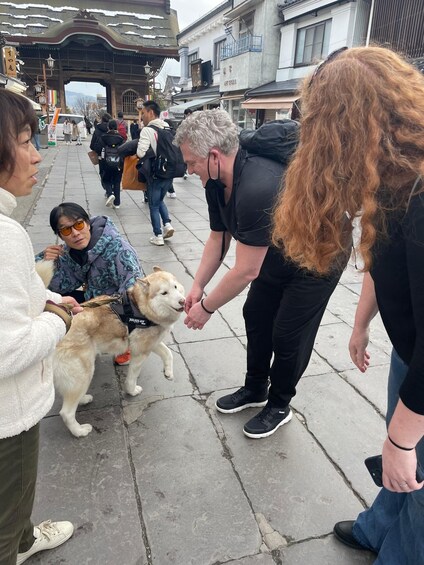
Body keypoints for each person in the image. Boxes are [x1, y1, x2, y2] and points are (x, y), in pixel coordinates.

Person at [272, 46, 424, 563]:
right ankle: (379, 527)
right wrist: (360, 325)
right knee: (399, 461)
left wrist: (404, 442)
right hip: (410, 350)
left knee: (413, 473)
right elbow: (385, 264)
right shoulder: (392, 177)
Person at [174, 109, 348, 438]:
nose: (189, 170)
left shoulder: (257, 186)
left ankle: (280, 404)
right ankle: (256, 389)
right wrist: (198, 285)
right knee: (255, 312)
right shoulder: (216, 181)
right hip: (278, 250)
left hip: (319, 257)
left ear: (213, 155)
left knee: (287, 333)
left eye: (191, 162)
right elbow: (218, 237)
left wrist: (206, 308)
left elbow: (245, 270)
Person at [0, 89, 82, 565]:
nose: (36, 154)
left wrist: (49, 297)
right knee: (6, 512)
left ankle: (26, 538)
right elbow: (7, 350)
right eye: (26, 140)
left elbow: (16, 293)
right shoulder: (5, 235)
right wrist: (59, 317)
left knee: (13, 509)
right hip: (7, 417)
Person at [36, 201, 142, 366]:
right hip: (92, 299)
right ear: (60, 235)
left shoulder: (119, 250)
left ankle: (124, 341)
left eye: (79, 224)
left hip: (116, 306)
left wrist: (117, 322)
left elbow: (134, 291)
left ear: (88, 223)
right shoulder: (70, 252)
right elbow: (60, 286)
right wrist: (45, 261)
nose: (75, 233)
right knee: (50, 301)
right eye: (66, 229)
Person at [136, 100, 174, 246]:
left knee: (153, 205)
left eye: (143, 113)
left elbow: (140, 153)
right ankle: (167, 225)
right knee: (159, 201)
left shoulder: (148, 130)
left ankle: (157, 235)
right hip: (169, 172)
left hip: (156, 174)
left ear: (151, 112)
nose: (142, 117)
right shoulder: (167, 126)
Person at [99, 119, 124, 208]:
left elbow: (98, 148)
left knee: (106, 179)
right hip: (118, 163)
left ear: (108, 127)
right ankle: (117, 204)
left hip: (106, 162)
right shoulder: (120, 138)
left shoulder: (103, 137)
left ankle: (110, 194)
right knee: (117, 182)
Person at [90, 112, 112, 188]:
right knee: (112, 171)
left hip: (101, 155)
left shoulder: (97, 129)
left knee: (102, 172)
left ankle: (107, 189)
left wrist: (96, 149)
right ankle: (111, 188)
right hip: (112, 154)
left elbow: (92, 145)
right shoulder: (112, 129)